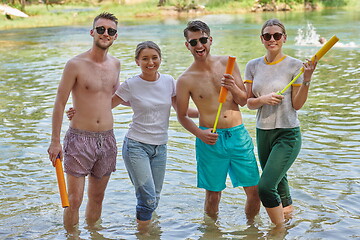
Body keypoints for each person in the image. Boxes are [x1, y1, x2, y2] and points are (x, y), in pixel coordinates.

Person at [67, 41, 198, 233]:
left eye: (154, 57)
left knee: (155, 197)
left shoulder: (169, 82)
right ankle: (144, 234)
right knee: (148, 197)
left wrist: (208, 114)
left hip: (160, 148)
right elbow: (105, 105)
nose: (150, 62)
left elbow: (182, 111)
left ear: (160, 59)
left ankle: (144, 231)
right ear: (137, 61)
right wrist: (78, 112)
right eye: (145, 58)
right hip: (136, 146)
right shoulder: (131, 84)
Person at [176, 20, 260, 222]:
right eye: (193, 42)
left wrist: (233, 86)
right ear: (187, 45)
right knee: (213, 195)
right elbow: (181, 115)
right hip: (209, 139)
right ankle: (213, 232)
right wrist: (200, 133)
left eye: (203, 40)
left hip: (237, 135)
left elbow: (243, 101)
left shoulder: (228, 64)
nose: (199, 46)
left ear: (210, 40)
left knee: (255, 191)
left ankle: (252, 230)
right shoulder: (185, 79)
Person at [47, 12, 120, 231]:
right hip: (79, 139)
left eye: (111, 31)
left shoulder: (116, 64)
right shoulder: (75, 64)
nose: (105, 34)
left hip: (107, 140)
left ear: (116, 36)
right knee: (74, 200)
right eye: (101, 29)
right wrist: (55, 141)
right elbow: (59, 103)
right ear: (92, 32)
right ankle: (73, 236)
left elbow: (113, 98)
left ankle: (94, 234)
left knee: (97, 199)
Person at [244, 18, 317, 226]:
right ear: (262, 39)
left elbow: (297, 104)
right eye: (267, 36)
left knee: (265, 187)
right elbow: (248, 102)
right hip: (263, 132)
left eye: (277, 35)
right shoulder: (253, 66)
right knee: (279, 180)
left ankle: (278, 231)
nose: (272, 39)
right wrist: (263, 100)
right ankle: (290, 221)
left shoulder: (295, 66)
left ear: (284, 38)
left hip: (287, 134)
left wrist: (308, 79)